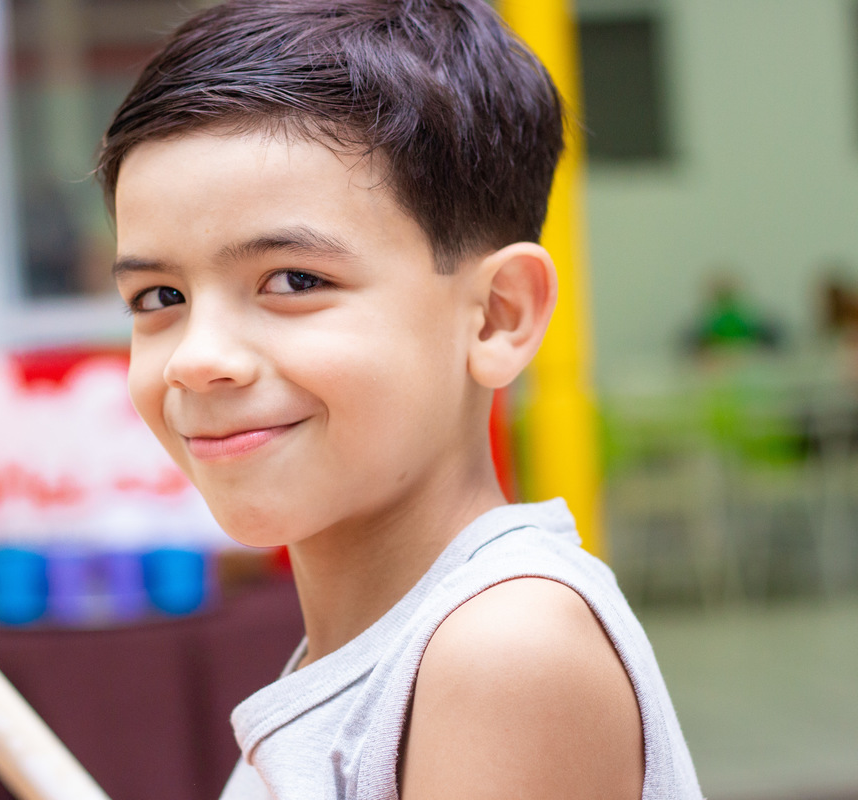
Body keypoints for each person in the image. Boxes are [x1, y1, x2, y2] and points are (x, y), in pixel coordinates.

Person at [95, 1, 701, 797]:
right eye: (158, 295)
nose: (199, 360)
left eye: (294, 281)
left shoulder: (504, 649)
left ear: (497, 314)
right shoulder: (380, 650)